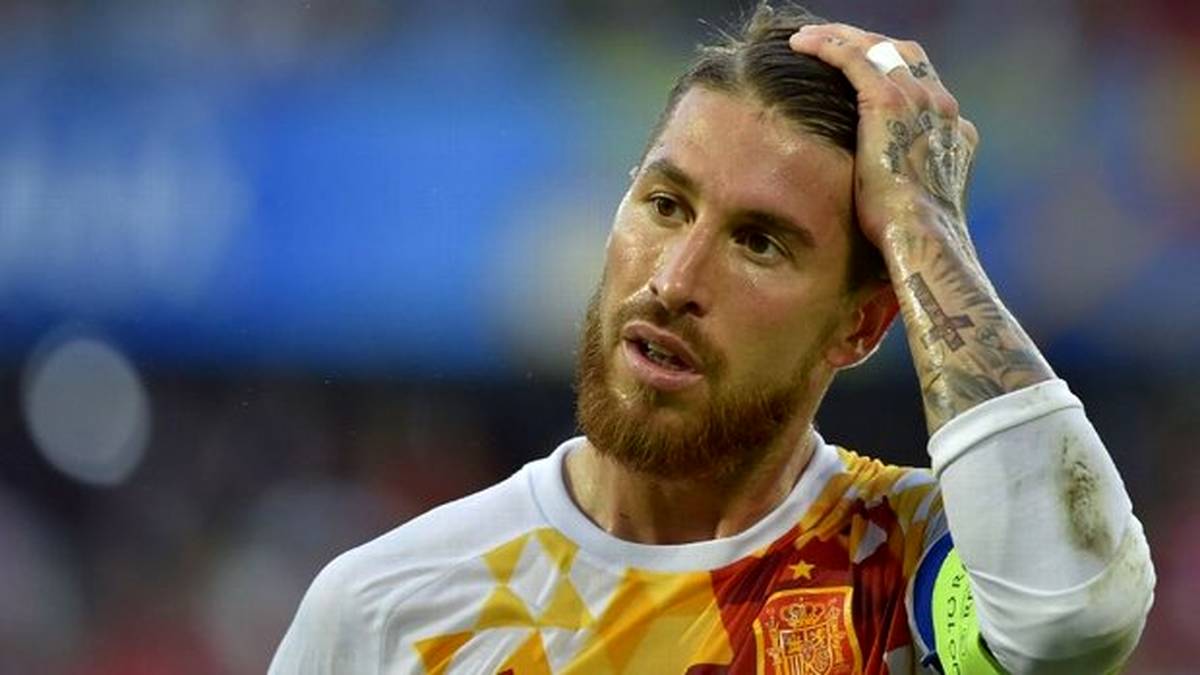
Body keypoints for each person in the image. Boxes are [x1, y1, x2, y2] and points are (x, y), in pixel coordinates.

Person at [269, 4, 1154, 673]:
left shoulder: (909, 567)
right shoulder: (388, 610)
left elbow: (1076, 618)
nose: (675, 280)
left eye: (758, 243)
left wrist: (923, 225)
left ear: (860, 324)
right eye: (665, 205)